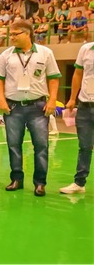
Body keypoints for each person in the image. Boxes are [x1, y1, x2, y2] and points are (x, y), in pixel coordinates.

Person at [0, 19, 61, 197]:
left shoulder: (45, 53)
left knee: (41, 145)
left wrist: (52, 100)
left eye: (16, 34)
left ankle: (40, 183)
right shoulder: (6, 55)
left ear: (27, 33)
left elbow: (54, 78)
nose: (12, 37)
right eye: (11, 34)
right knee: (13, 145)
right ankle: (16, 179)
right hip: (13, 107)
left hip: (38, 107)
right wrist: (1, 100)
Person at [60, 41, 94, 194]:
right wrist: (73, 98)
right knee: (85, 147)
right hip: (85, 106)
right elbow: (78, 73)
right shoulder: (86, 49)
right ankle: (79, 183)